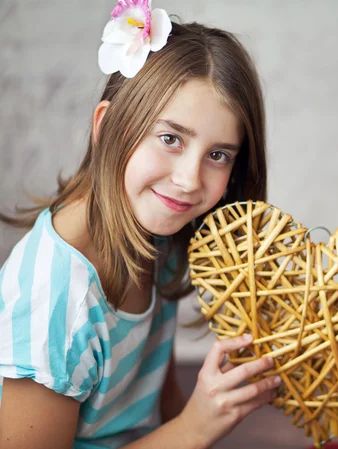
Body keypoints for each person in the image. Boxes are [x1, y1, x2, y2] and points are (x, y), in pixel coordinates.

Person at [0, 1, 280, 448]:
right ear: (107, 125)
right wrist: (197, 426)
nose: (190, 180)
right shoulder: (55, 298)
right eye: (170, 139)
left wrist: (196, 423)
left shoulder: (158, 235)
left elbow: (157, 402)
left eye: (218, 155)